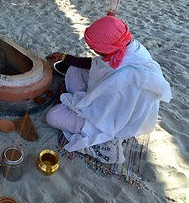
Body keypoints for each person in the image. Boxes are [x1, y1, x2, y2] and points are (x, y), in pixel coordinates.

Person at [45, 16, 172, 164]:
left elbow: (106, 113)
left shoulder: (126, 78)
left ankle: (108, 142)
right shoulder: (127, 45)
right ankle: (78, 103)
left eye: (96, 50)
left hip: (112, 120)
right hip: (106, 100)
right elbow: (95, 64)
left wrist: (80, 106)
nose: (94, 51)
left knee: (53, 116)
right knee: (74, 70)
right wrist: (64, 57)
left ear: (109, 49)